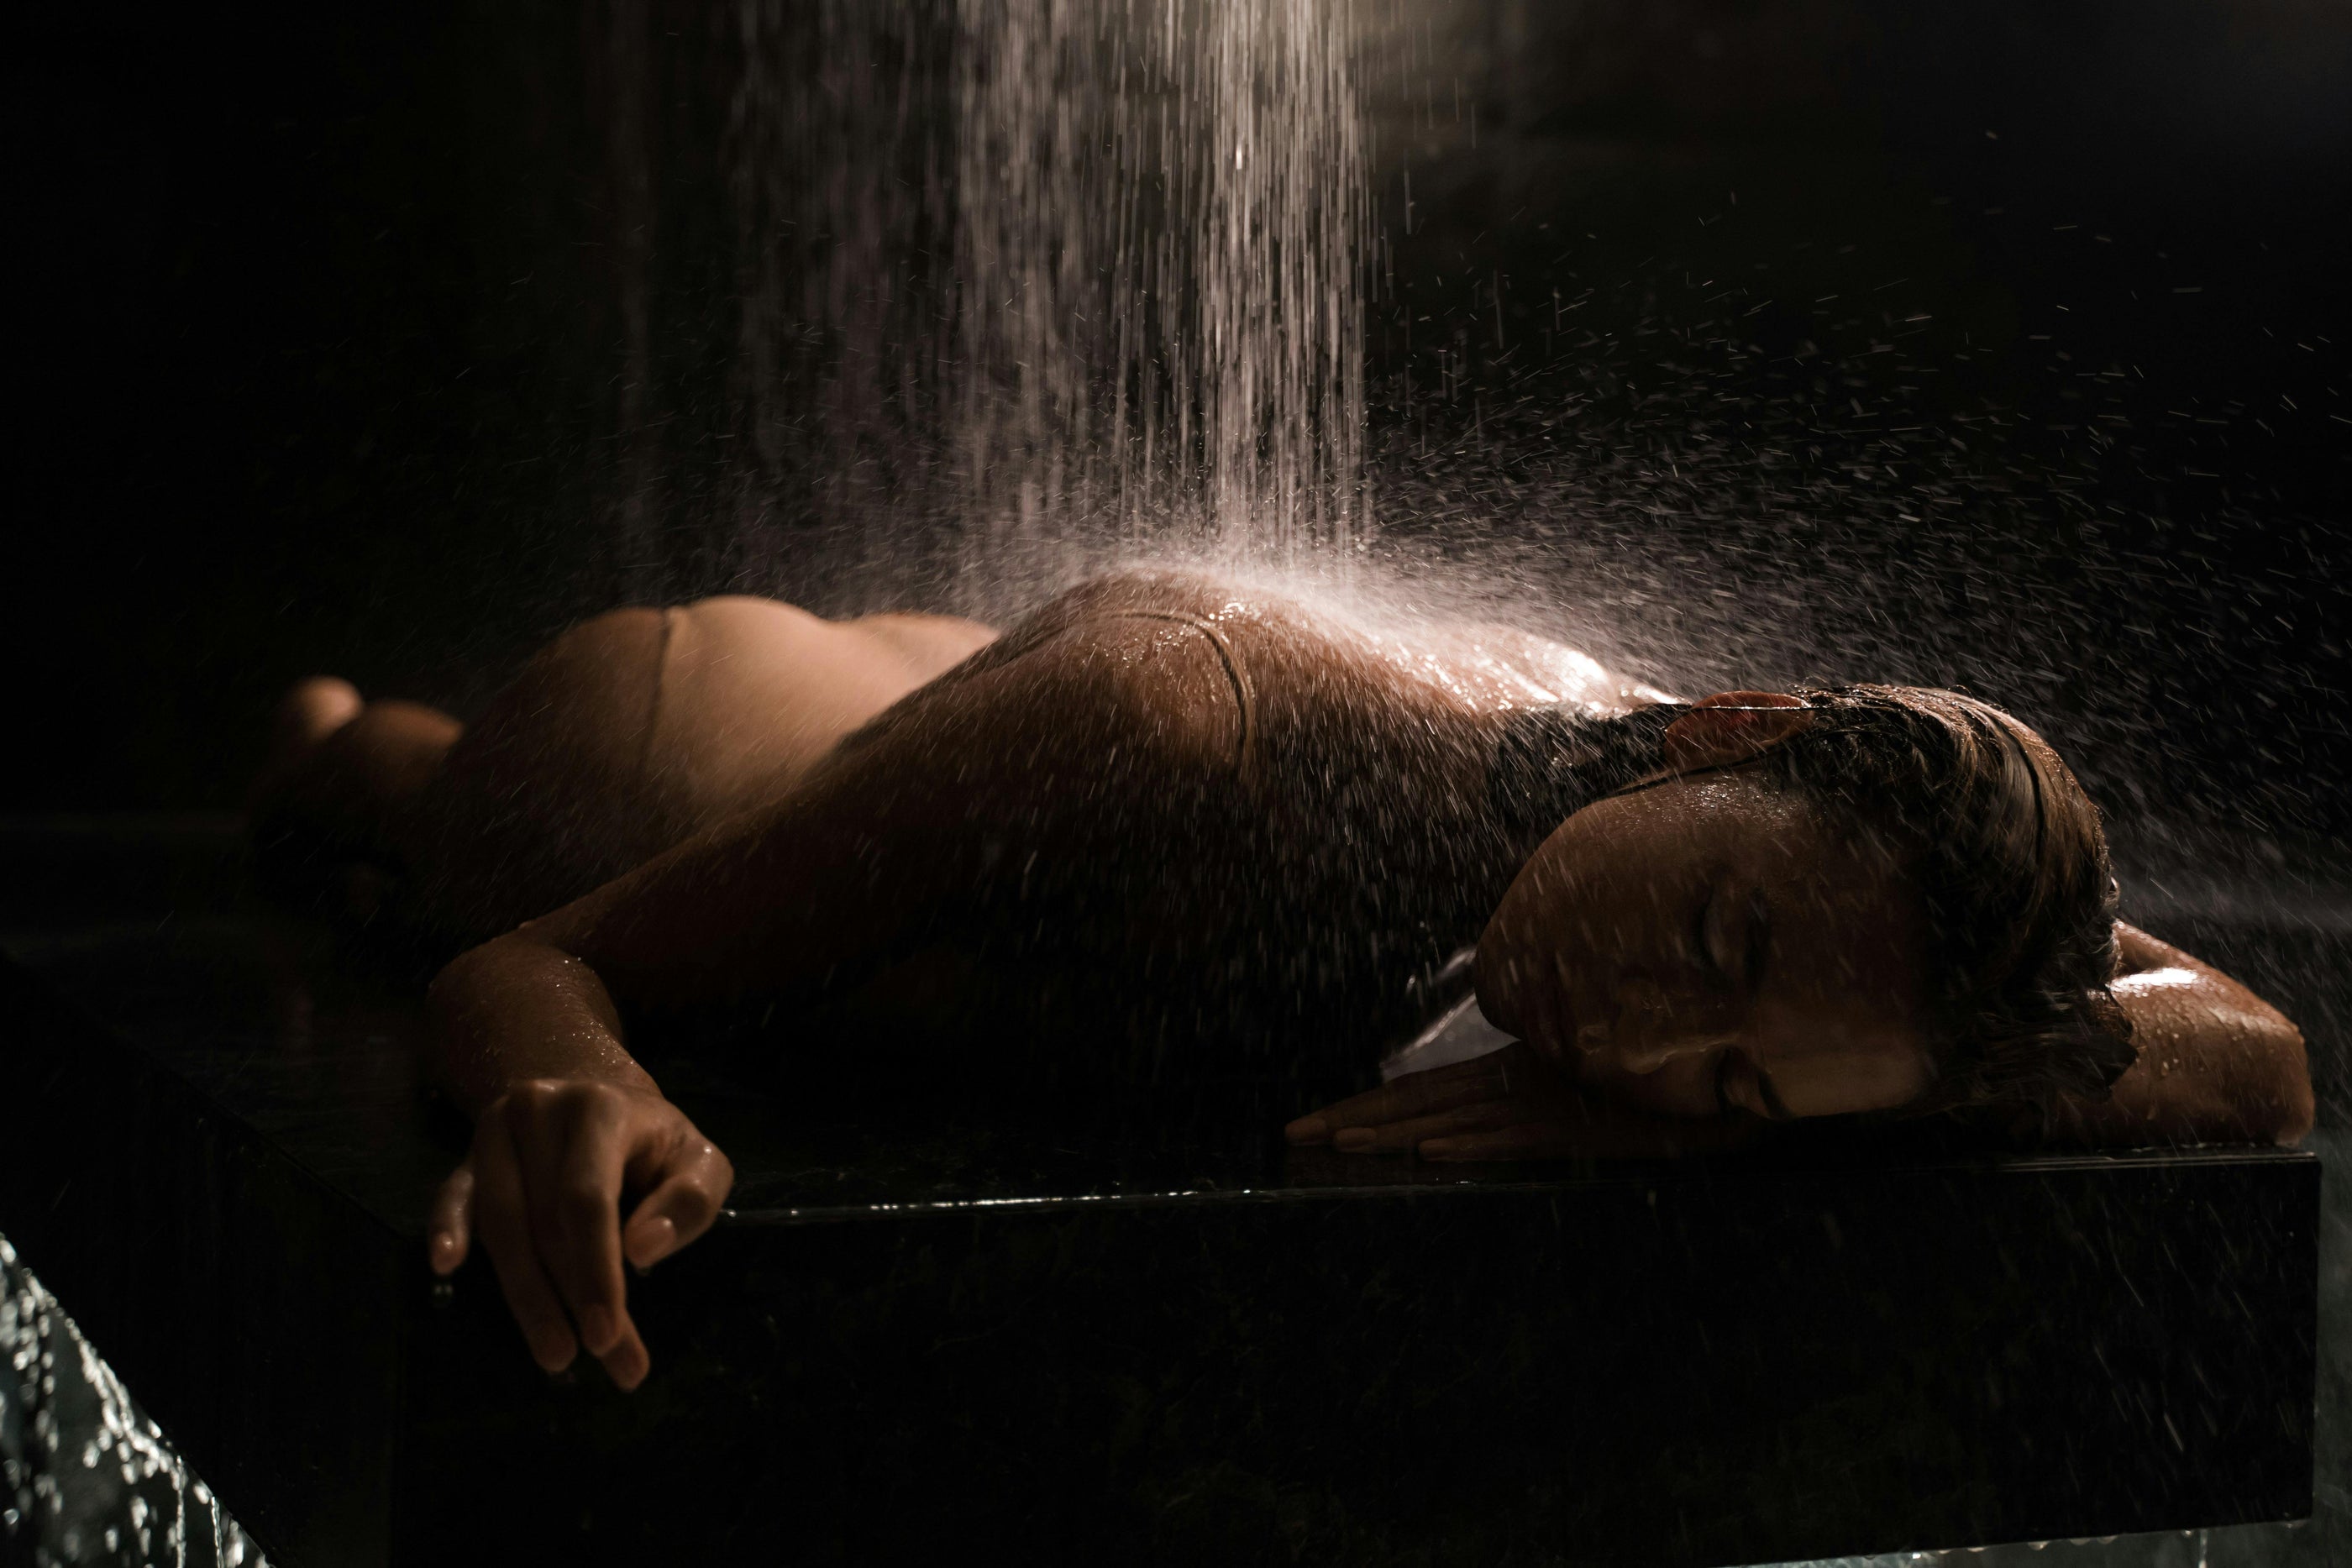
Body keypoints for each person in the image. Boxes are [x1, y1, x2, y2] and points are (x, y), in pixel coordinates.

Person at [253, 568, 2313, 1391]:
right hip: (637, 756)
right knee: (385, 802)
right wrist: (574, 1075)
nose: (1645, 1044)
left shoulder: (1845, 906)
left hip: (967, 752)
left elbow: (2251, 1053)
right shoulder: (1195, 727)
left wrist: (1672, 1101)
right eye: (1713, 951)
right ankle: (333, 728)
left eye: (1741, 1093)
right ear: (1728, 731)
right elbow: (536, 964)